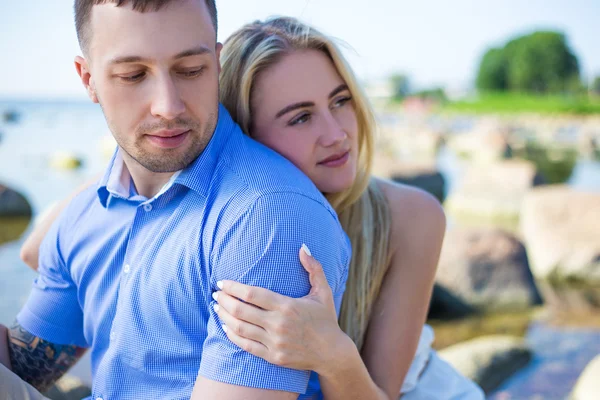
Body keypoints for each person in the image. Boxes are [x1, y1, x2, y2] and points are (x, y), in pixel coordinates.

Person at [18, 13, 484, 400]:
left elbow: (381, 390)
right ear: (245, 129)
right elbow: (39, 251)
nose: (337, 133)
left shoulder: (406, 214)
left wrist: (332, 353)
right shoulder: (222, 187)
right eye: (300, 116)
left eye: (340, 101)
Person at [0, 1, 351, 400]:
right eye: (133, 75)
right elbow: (25, 367)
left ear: (217, 64)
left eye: (190, 71)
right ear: (88, 79)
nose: (168, 106)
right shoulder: (89, 209)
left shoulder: (267, 214)